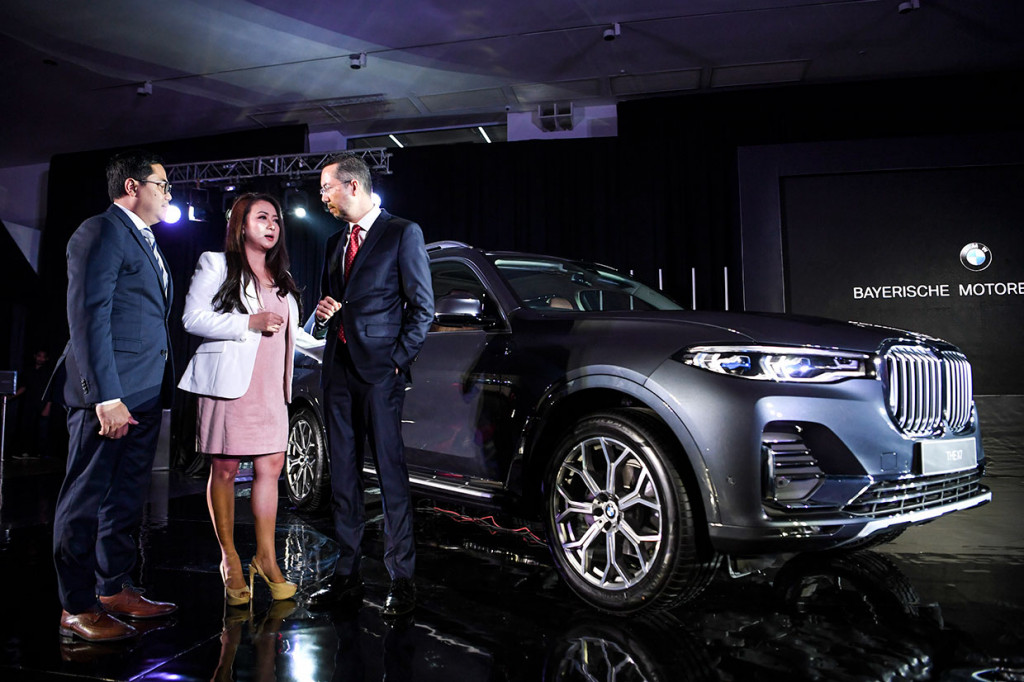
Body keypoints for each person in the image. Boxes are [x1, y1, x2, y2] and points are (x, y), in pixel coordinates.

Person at [51, 150, 178, 643]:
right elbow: (88, 317)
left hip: (144, 391)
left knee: (125, 499)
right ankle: (75, 605)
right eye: (162, 185)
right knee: (84, 500)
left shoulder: (145, 240)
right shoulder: (100, 230)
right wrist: (105, 396)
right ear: (132, 186)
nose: (168, 194)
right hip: (109, 395)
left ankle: (112, 587)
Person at [178, 193, 322, 606]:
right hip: (230, 384)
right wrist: (249, 322)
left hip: (271, 388)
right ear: (241, 225)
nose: (272, 225)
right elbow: (193, 318)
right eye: (262, 218)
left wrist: (322, 326)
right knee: (224, 468)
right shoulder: (216, 263)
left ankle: (266, 558)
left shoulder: (284, 280)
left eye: (276, 219)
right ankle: (230, 561)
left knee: (271, 468)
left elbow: (293, 336)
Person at [307, 153, 433, 618]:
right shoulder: (333, 243)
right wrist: (323, 316)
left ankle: (402, 579)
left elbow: (422, 308)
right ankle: (347, 573)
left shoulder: (403, 233)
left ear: (353, 186)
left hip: (381, 373)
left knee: (390, 473)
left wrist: (397, 363)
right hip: (337, 370)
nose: (322, 196)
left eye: (327, 187)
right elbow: (334, 303)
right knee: (342, 473)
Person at [12, 348, 52, 459]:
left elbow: (51, 390)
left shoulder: (48, 372)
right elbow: (24, 387)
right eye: (39, 356)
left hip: (42, 404)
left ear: (46, 359)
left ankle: (41, 454)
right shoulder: (29, 371)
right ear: (35, 356)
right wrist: (10, 397)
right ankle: (26, 452)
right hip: (29, 404)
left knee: (41, 430)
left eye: (43, 357)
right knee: (26, 428)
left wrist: (48, 406)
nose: (41, 359)